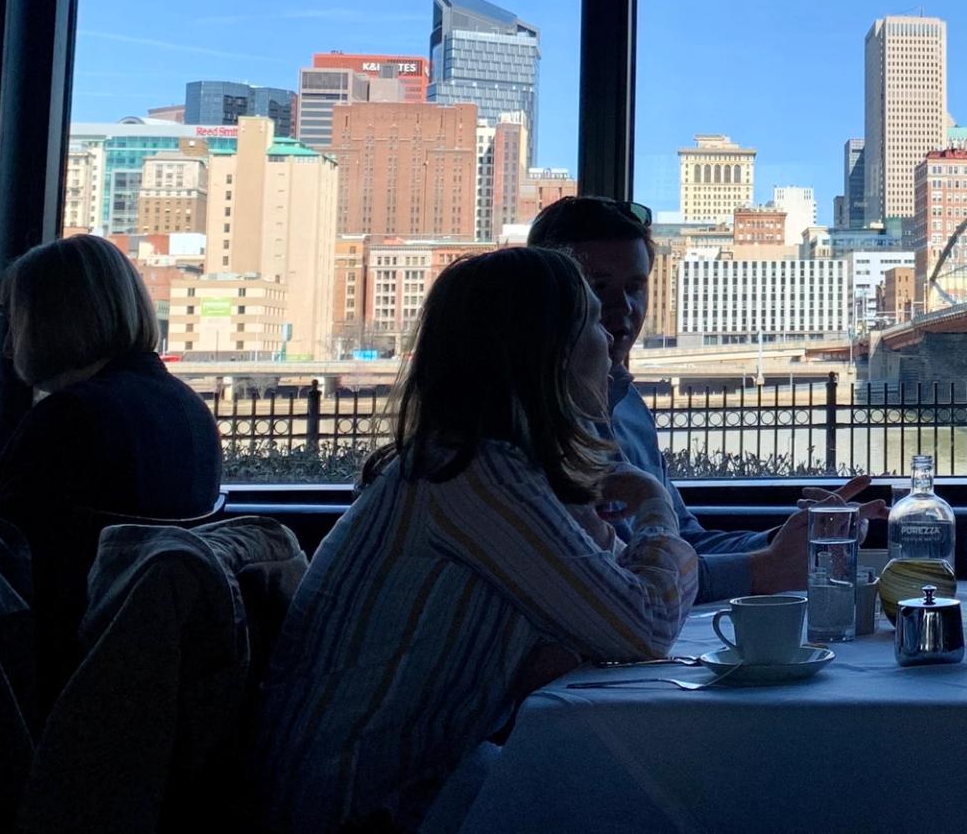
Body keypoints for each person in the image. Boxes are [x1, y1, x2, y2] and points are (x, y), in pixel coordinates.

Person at [254, 246, 696, 834]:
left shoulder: (476, 470)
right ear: (546, 352)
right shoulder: (471, 477)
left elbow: (604, 611)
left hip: (404, 788)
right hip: (361, 810)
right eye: (591, 319)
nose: (612, 335)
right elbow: (643, 628)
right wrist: (654, 510)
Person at [528, 196, 883, 601]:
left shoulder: (629, 408)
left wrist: (793, 539)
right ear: (546, 296)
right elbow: (618, 588)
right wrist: (765, 569)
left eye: (635, 287)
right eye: (599, 286)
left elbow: (683, 543)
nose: (622, 307)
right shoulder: (525, 423)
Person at [0, 234, 223, 695]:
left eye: (16, 323)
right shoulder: (188, 411)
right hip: (139, 680)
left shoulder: (67, 421)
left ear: (53, 323)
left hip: (42, 681)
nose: (9, 348)